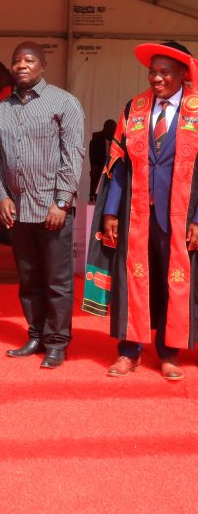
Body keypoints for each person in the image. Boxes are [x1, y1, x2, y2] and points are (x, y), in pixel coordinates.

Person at [83, 41, 198, 381]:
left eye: (165, 72)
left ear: (182, 74)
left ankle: (167, 351)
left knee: (170, 283)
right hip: (136, 214)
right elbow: (119, 165)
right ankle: (129, 350)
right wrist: (111, 212)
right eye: (153, 71)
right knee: (132, 281)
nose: (156, 78)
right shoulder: (135, 107)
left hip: (179, 215)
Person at [0, 41, 85, 369]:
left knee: (57, 281)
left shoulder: (64, 103)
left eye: (29, 60)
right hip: (18, 211)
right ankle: (35, 334)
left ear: (42, 66)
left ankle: (57, 342)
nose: (22, 66)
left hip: (52, 211)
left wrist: (62, 202)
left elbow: (73, 156)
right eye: (16, 60)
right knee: (29, 279)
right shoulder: (1, 109)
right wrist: (2, 196)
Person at [89, 119, 116, 201]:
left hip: (113, 169)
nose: (112, 132)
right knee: (95, 171)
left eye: (114, 129)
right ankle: (94, 196)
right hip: (100, 168)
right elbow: (93, 160)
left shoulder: (117, 143)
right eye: (110, 129)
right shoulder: (95, 142)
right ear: (104, 129)